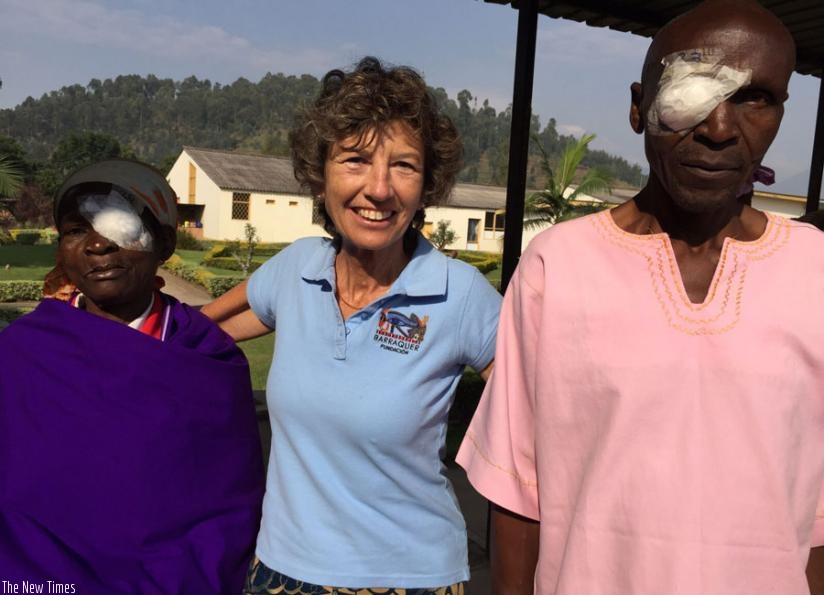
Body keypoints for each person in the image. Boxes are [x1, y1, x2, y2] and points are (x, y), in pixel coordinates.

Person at [456, 1, 824, 593]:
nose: (719, 127)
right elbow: (518, 493)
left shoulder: (815, 272)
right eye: (692, 90)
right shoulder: (560, 266)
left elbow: (818, 522)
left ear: (781, 112)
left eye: (755, 97)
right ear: (638, 106)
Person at [202, 57, 501, 594]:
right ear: (321, 175)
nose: (379, 189)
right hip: (282, 571)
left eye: (404, 166)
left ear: (427, 184)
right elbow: (198, 332)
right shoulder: (297, 269)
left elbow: (537, 414)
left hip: (409, 579)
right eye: (356, 160)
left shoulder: (459, 294)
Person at [0, 159, 265, 593]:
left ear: (164, 241)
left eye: (120, 223)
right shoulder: (23, 352)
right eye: (75, 230)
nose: (97, 245)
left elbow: (228, 508)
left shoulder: (207, 359)